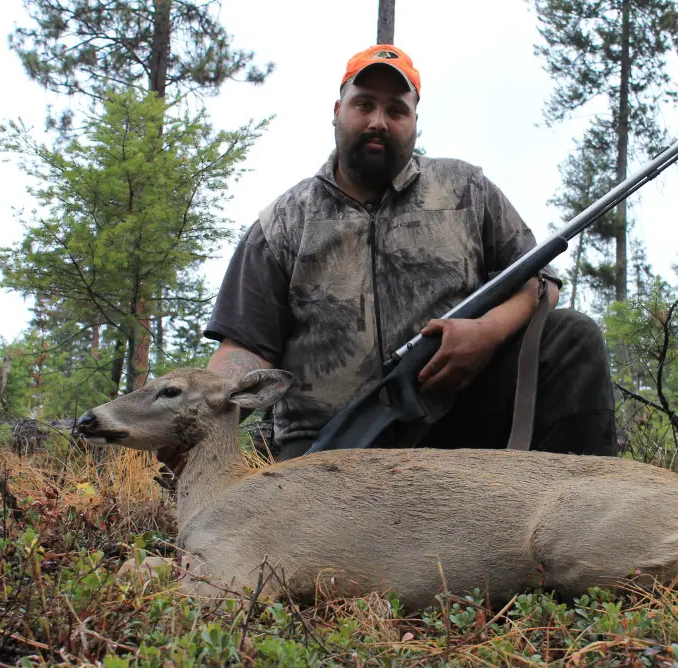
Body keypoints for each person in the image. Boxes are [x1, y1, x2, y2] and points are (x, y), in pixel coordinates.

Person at [202, 44, 617, 462]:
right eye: (363, 105)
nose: (378, 122)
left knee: (571, 338)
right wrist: (196, 416)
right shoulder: (281, 224)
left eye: (396, 111)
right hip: (325, 446)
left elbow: (540, 282)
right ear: (336, 110)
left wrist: (487, 334)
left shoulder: (466, 190)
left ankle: (584, 512)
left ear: (415, 121)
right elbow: (245, 346)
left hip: (455, 424)